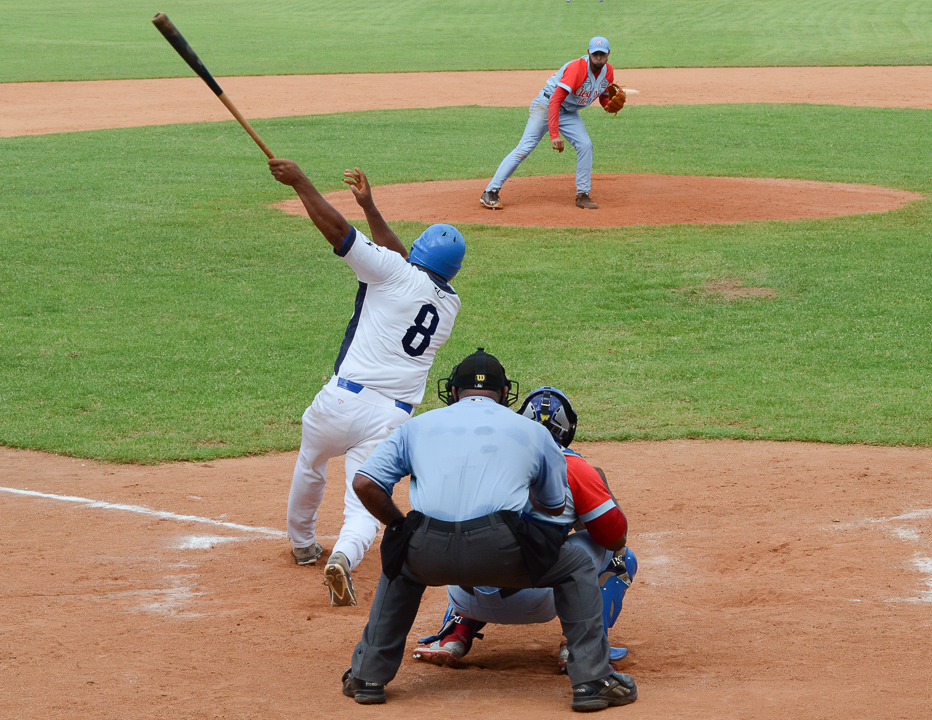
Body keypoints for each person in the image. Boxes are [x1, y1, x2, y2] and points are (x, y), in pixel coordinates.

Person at [341, 349, 637, 711]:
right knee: (574, 563)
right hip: (504, 552)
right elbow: (554, 505)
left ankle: (367, 677)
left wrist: (401, 527)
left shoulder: (416, 426)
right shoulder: (531, 431)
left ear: (452, 392)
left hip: (429, 551)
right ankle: (592, 681)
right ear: (503, 394)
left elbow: (365, 483)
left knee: (399, 563)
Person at [268, 158, 465, 607]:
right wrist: (371, 207)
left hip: (341, 401)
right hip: (391, 419)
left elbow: (339, 232)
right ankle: (342, 557)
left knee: (311, 462)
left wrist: (302, 181)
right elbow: (399, 259)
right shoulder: (450, 302)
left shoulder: (394, 271)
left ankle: (302, 545)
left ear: (417, 255)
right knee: (363, 503)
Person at [413, 386, 637, 672]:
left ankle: (455, 635)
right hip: (536, 600)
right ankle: (584, 648)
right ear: (568, 430)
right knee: (620, 557)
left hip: (465, 594)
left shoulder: (481, 457)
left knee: (472, 538)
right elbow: (614, 537)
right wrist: (587, 502)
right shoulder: (575, 467)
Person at [480, 36, 617, 211]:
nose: (599, 57)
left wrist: (610, 107)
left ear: (608, 54)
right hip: (546, 105)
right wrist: (554, 135)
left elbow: (605, 97)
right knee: (524, 148)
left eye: (602, 54)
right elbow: (555, 100)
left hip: (568, 111)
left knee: (585, 145)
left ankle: (583, 194)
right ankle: (490, 192)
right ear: (589, 52)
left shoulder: (608, 72)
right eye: (595, 53)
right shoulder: (577, 69)